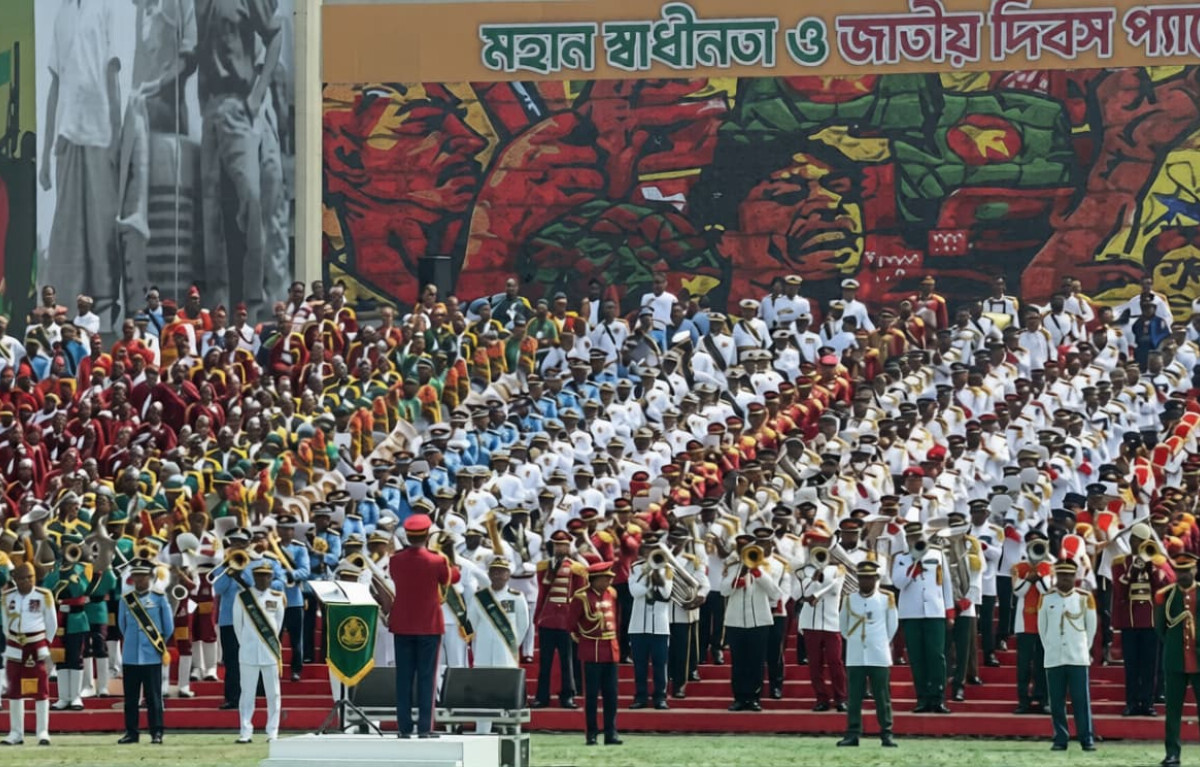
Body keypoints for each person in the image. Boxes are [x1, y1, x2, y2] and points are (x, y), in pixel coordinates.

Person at [389, 514, 454, 739]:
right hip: (429, 626)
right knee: (427, 677)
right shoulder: (436, 560)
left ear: (407, 535)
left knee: (404, 677)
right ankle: (425, 727)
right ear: (427, 535)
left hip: (403, 625)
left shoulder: (395, 560)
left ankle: (404, 727)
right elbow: (449, 579)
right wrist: (449, 553)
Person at [891, 521, 953, 713]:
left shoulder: (937, 554)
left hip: (934, 611)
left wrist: (949, 610)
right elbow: (898, 583)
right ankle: (922, 698)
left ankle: (938, 697)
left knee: (937, 656)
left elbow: (946, 583)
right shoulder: (901, 559)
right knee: (917, 658)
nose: (915, 540)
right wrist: (913, 569)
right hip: (912, 613)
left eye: (918, 536)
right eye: (911, 537)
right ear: (907, 539)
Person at [1037, 559, 1097, 751]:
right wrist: (1052, 648)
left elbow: (1091, 629)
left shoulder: (1084, 598)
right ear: (1056, 576)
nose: (1065, 579)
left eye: (1069, 575)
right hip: (1054, 657)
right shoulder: (1046, 599)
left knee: (1081, 700)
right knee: (1056, 701)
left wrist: (1082, 649)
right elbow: (1042, 629)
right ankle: (1060, 738)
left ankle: (1086, 738)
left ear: (1074, 577)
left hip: (1077, 657)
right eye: (1061, 575)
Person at [837, 560, 898, 748]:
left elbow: (892, 627)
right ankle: (852, 733)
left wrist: (878, 642)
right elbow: (843, 627)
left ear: (876, 579)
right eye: (862, 578)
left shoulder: (885, 599)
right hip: (856, 655)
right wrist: (857, 641)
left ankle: (886, 733)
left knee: (882, 696)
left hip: (878, 654)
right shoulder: (849, 599)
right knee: (854, 697)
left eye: (869, 578)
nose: (865, 582)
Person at [466, 557, 530, 735]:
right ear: (489, 574)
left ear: (508, 574)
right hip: (483, 653)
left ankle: (509, 728)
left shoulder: (516, 597)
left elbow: (523, 624)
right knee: (483, 693)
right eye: (494, 571)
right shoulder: (480, 598)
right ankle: (482, 731)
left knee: (506, 693)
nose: (498, 575)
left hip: (506, 654)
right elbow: (471, 622)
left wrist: (512, 645)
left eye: (502, 571)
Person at [721, 537, 783, 712]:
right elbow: (724, 590)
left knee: (756, 662)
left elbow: (775, 593)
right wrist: (738, 578)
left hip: (759, 621)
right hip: (735, 621)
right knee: (738, 662)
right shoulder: (732, 566)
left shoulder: (765, 567)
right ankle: (739, 698)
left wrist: (757, 572)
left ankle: (754, 698)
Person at [117, 559, 173, 745]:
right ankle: (131, 732)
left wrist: (158, 644)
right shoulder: (126, 600)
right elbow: (122, 627)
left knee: (153, 698)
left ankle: (156, 732)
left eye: (144, 576)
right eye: (137, 576)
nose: (140, 580)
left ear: (150, 577)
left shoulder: (159, 598)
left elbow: (168, 627)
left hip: (151, 655)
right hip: (131, 656)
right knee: (131, 699)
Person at [1, 562, 56, 746]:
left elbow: (52, 623)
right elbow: (5, 621)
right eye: (23, 578)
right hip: (15, 645)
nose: (27, 581)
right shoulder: (7, 596)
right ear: (15, 579)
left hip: (36, 645)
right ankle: (16, 733)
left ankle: (42, 731)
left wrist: (44, 643)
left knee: (41, 688)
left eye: (30, 577)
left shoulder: (44, 595)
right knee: (14, 688)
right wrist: (14, 638)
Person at [1155, 552, 1200, 767]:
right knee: (1173, 712)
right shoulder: (1166, 595)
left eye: (1187, 570)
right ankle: (1172, 753)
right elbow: (1160, 628)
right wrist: (1174, 645)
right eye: (1180, 570)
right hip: (1175, 661)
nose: (1183, 574)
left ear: (1195, 569)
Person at [234, 561, 286, 744]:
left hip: (269, 652)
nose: (263, 578)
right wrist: (248, 644)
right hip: (248, 653)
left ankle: (273, 732)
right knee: (247, 694)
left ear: (271, 577)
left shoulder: (278, 597)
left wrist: (266, 643)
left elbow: (278, 625)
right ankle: (245, 731)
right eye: (259, 575)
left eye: (266, 575)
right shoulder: (242, 598)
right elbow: (238, 627)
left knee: (274, 695)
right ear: (254, 577)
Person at [571, 560, 622, 746]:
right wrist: (583, 640)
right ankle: (591, 733)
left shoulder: (611, 595)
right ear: (594, 579)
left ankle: (611, 732)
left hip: (610, 651)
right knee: (591, 697)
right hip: (591, 651)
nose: (609, 582)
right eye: (605, 578)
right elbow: (572, 624)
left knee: (611, 696)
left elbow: (615, 621)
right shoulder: (581, 597)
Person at [628, 538, 673, 710]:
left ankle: (660, 697)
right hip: (638, 625)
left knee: (660, 663)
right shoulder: (635, 568)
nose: (650, 554)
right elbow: (635, 592)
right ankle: (640, 696)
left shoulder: (667, 569)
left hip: (660, 625)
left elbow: (666, 592)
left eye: (653, 550)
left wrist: (657, 576)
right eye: (648, 550)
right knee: (639, 664)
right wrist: (648, 577)